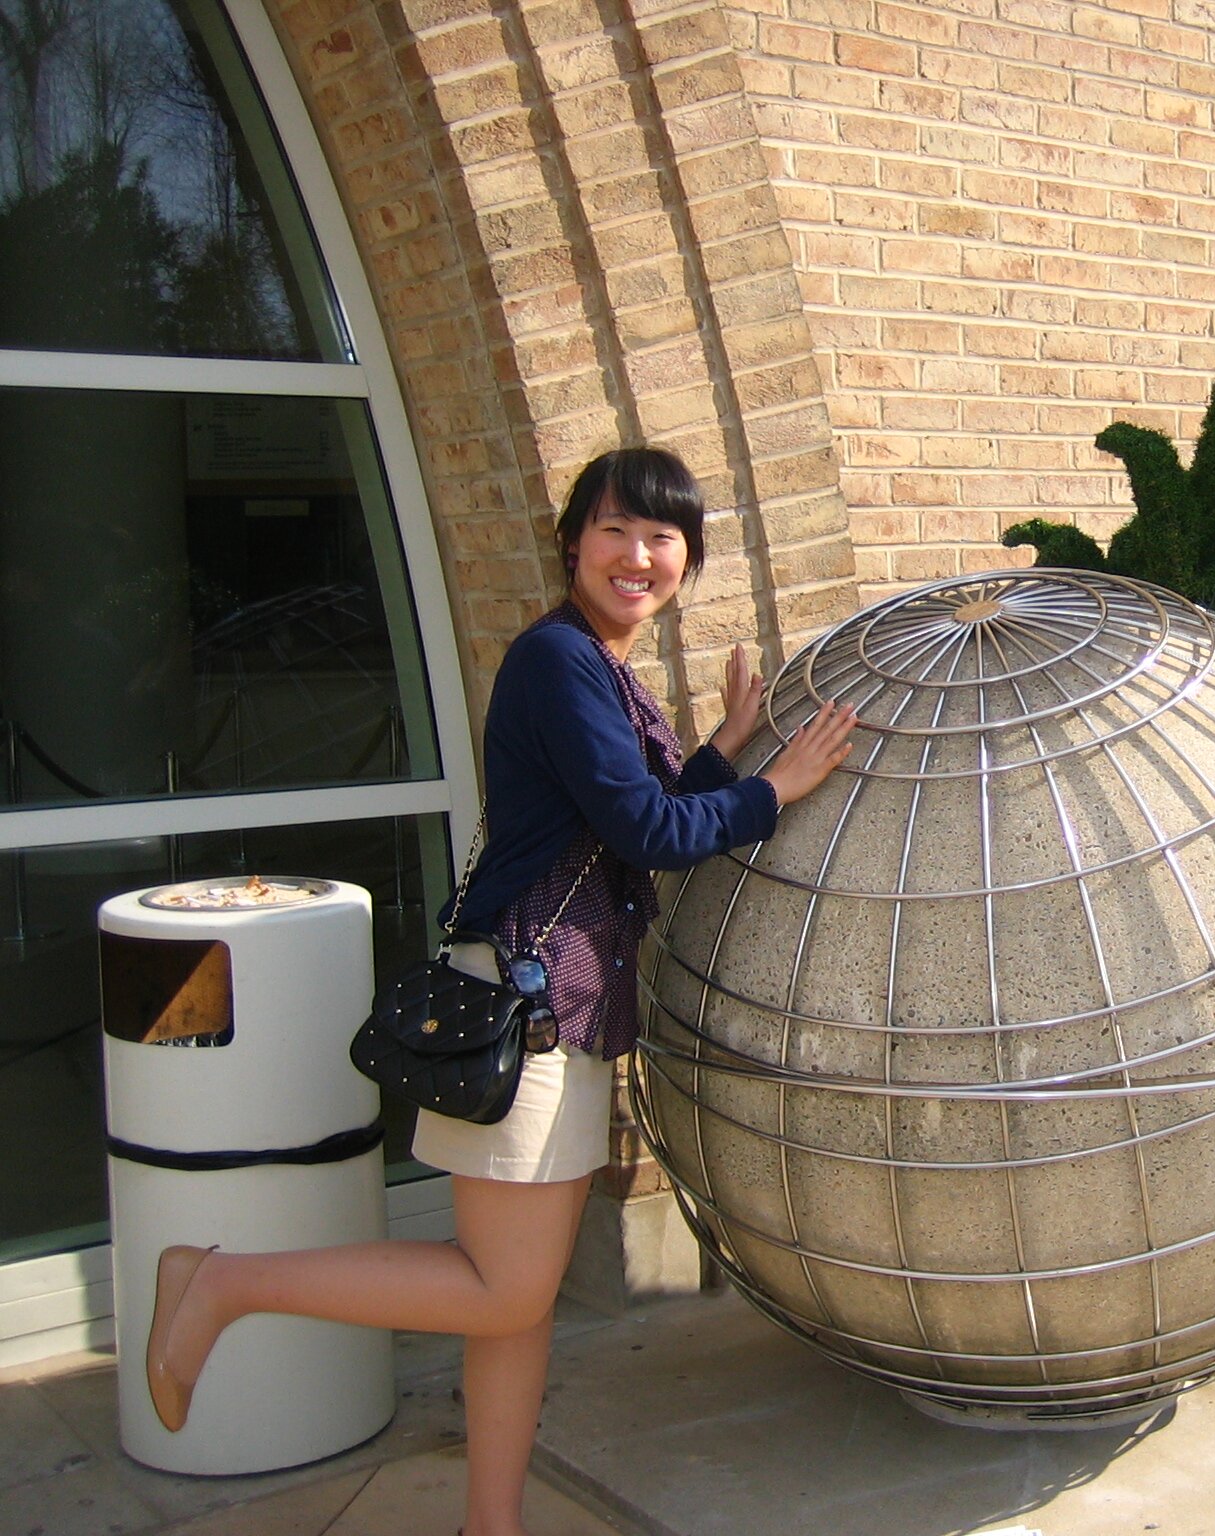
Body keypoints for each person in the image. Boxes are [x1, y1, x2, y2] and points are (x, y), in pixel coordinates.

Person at [144, 447, 857, 1536]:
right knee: (506, 1289)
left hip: (563, 1009)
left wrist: (720, 750)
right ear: (571, 542)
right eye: (615, 528)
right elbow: (648, 833)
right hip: (526, 1008)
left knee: (511, 1301)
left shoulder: (599, 667)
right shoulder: (557, 661)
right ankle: (219, 1284)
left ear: (687, 561)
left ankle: (491, 1522)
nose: (638, 554)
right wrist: (774, 787)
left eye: (664, 537)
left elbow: (622, 815)